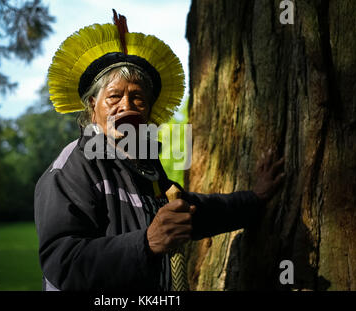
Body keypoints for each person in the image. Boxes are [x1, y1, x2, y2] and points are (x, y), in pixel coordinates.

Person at [34, 11, 285, 291]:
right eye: (114, 96)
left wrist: (256, 198)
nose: (126, 105)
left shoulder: (147, 169)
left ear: (149, 111)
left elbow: (199, 211)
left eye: (138, 97)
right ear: (93, 107)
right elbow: (63, 262)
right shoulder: (73, 167)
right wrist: (146, 243)